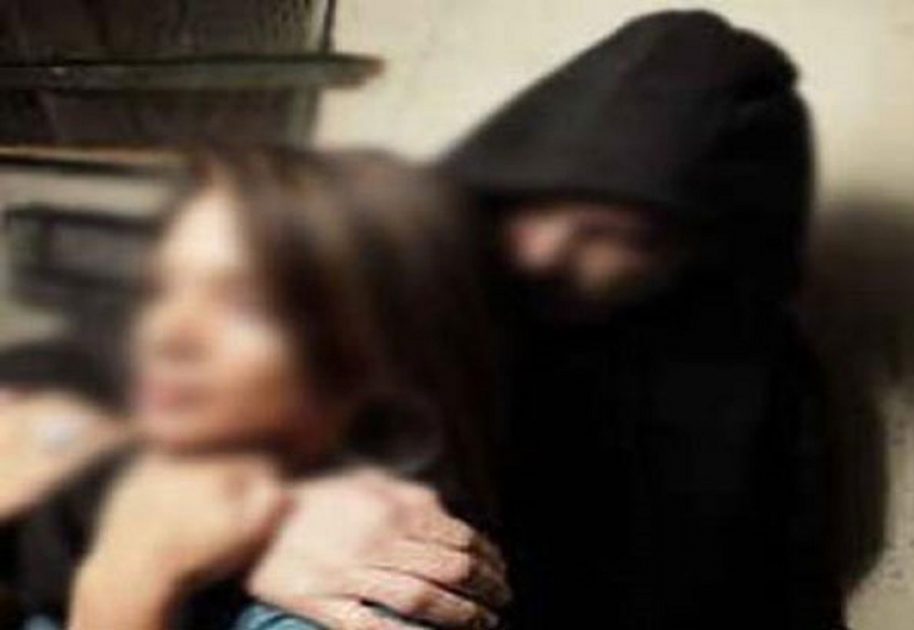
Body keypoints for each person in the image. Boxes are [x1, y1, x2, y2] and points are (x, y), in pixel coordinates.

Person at [441, 10, 844, 629]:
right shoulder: (404, 313)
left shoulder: (754, 373)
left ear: (697, 253)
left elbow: (785, 590)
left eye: (612, 235)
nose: (544, 253)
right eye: (531, 210)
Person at [0, 147, 509, 629]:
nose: (168, 333)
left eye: (247, 306)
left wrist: (129, 578)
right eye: (163, 289)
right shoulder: (94, 451)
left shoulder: (365, 588)